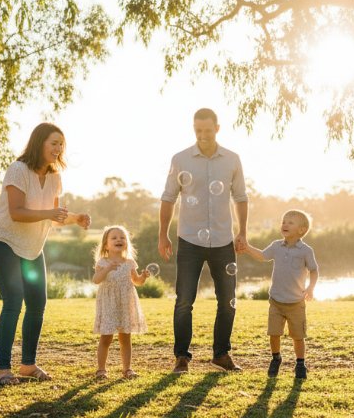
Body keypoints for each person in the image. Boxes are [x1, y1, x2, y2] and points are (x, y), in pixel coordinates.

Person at [0, 122, 91, 385]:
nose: (58, 148)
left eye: (61, 144)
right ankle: (3, 370)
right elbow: (16, 212)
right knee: (13, 301)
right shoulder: (18, 170)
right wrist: (50, 214)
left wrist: (76, 218)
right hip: (4, 241)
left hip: (33, 246)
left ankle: (28, 365)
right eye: (53, 143)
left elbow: (53, 217)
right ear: (39, 143)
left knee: (37, 304)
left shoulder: (55, 177)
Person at [159, 108, 249, 374]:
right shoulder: (181, 159)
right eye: (198, 130)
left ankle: (221, 354)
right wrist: (163, 234)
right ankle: (182, 358)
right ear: (193, 129)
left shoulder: (232, 159)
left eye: (208, 130)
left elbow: (241, 197)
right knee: (184, 300)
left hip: (223, 240)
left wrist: (242, 232)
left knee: (228, 301)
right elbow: (168, 197)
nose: (203, 135)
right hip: (189, 240)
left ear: (217, 128)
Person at [241, 209, 319, 379]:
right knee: (274, 333)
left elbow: (314, 270)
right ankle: (276, 358)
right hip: (276, 301)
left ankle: (300, 363)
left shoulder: (306, 250)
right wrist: (246, 248)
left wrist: (311, 288)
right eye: (283, 221)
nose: (285, 224)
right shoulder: (276, 246)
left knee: (298, 336)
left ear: (301, 230)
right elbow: (262, 256)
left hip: (296, 303)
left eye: (290, 222)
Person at [92, 225, 151, 380]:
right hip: (109, 304)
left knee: (125, 337)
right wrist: (107, 269)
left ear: (127, 242)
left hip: (125, 302)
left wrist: (143, 277)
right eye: (114, 238)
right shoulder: (103, 262)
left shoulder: (130, 262)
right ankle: (101, 370)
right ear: (106, 245)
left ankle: (127, 369)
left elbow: (136, 281)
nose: (119, 240)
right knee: (106, 337)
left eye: (122, 237)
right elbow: (96, 280)